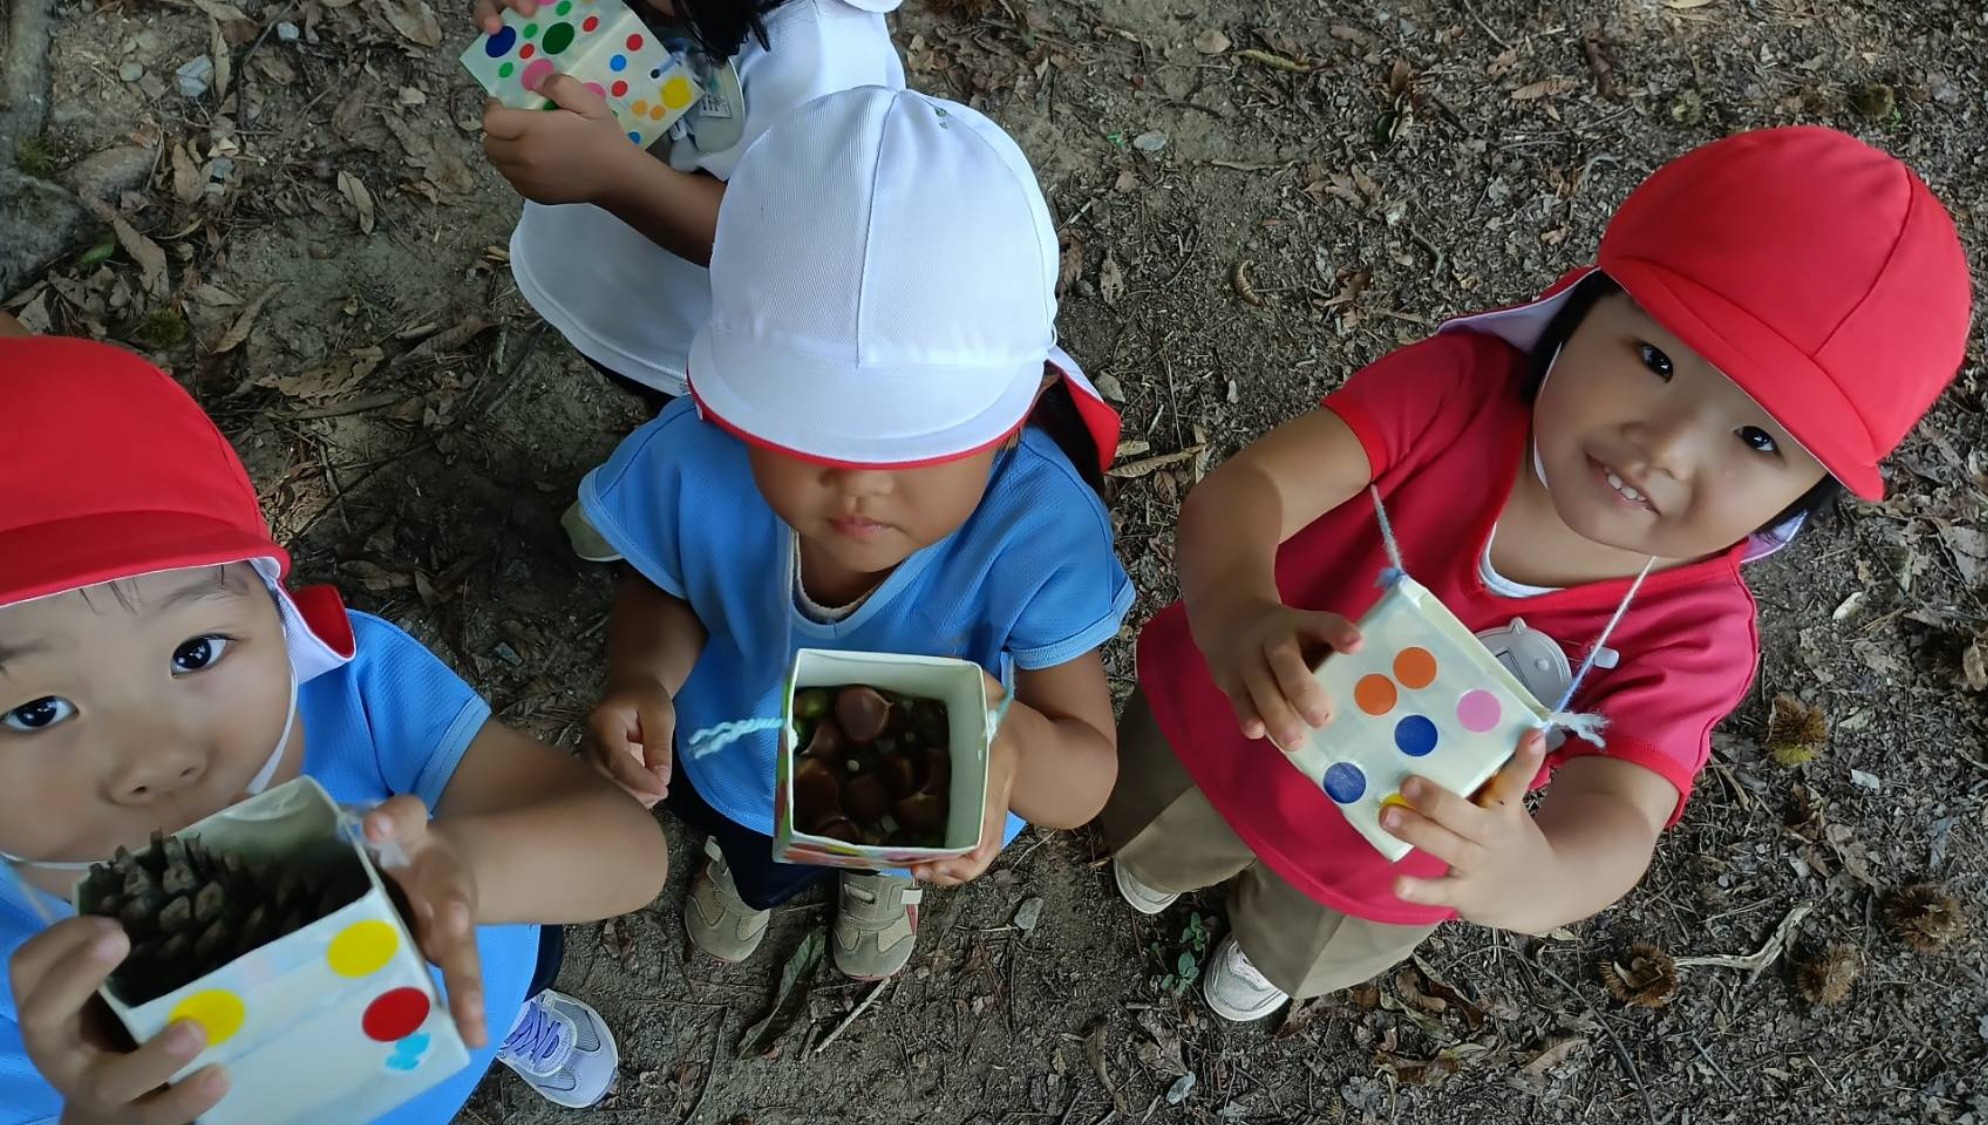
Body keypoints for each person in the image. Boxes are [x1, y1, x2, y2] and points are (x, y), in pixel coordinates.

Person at [1101, 126, 1971, 1021]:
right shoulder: (1455, 391)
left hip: (1386, 863)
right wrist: (1238, 605)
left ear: (1803, 499)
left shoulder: (1696, 632)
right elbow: (1251, 491)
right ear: (1578, 312)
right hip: (1216, 721)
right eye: (1657, 359)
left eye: (1757, 439)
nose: (1665, 449)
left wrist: (1538, 875)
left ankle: (1266, 954)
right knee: (1153, 826)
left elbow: (1621, 817)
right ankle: (1156, 860)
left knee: (1302, 939)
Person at [0, 335, 671, 1121]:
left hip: (480, 953)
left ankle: (506, 1016)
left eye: (195, 651)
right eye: (34, 711)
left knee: (500, 976)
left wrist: (462, 875)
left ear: (280, 620)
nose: (158, 755)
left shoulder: (355, 688)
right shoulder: (30, 981)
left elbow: (626, 847)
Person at [570, 87, 1136, 982]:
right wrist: (644, 676)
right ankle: (749, 872)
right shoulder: (699, 458)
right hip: (738, 762)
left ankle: (881, 881)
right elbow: (669, 582)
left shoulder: (1039, 533)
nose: (862, 483)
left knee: (882, 843)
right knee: (755, 848)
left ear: (1009, 419)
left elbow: (1088, 771)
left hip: (920, 797)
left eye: (921, 444)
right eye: (809, 434)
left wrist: (1012, 741)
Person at [477, 0, 906, 415]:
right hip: (588, 273)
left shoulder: (823, 56)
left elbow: (785, 242)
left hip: (676, 341)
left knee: (672, 427)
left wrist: (614, 176)